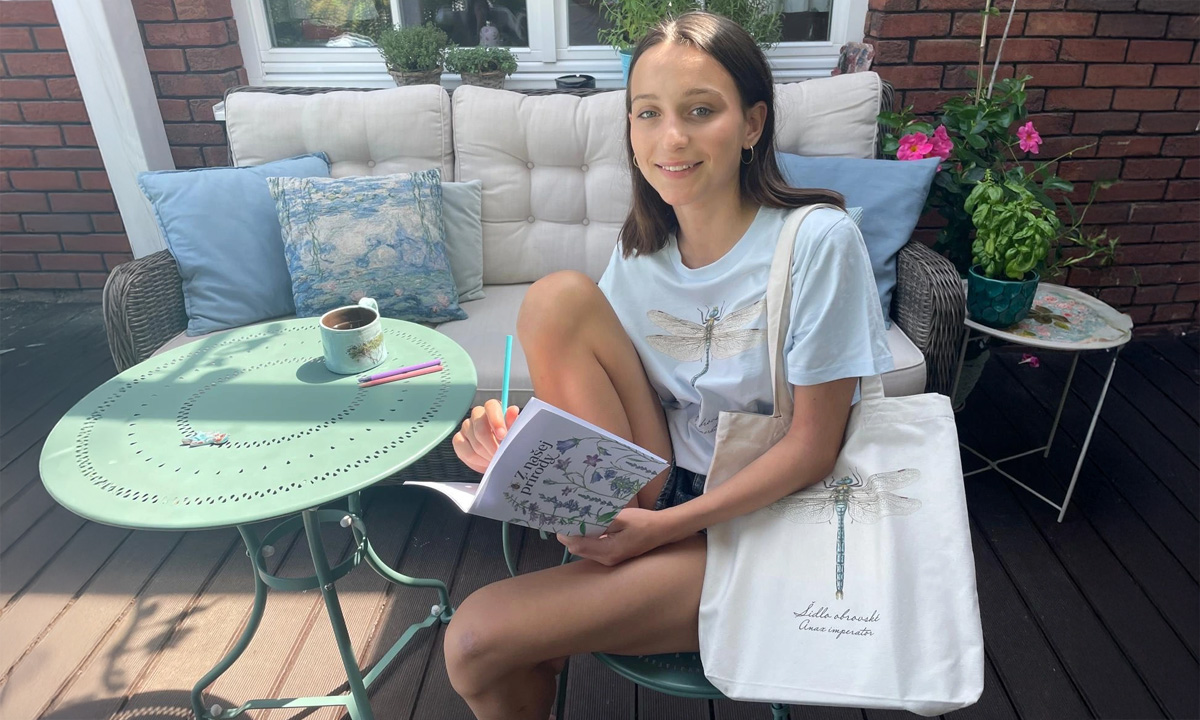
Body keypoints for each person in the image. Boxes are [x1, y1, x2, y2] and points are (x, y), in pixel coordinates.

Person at [444, 11, 893, 719]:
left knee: (475, 642)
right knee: (555, 298)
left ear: (752, 124)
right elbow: (616, 402)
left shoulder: (818, 241)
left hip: (765, 523)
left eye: (700, 111)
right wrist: (519, 454)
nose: (671, 138)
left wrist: (664, 531)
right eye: (647, 113)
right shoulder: (640, 252)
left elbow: (815, 446)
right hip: (661, 490)